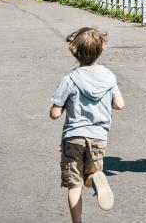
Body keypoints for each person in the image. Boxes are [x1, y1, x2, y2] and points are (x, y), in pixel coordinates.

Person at [50, 27, 125, 223]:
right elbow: (119, 104)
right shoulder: (109, 77)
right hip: (98, 137)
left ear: (75, 52)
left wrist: (63, 105)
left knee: (74, 185)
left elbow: (55, 114)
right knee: (91, 174)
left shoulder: (69, 80)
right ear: (101, 50)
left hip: (73, 137)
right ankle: (96, 178)